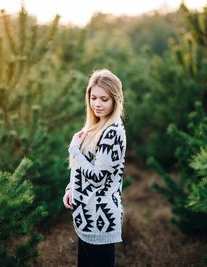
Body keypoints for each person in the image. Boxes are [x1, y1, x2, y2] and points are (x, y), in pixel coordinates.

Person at [63, 69, 126, 267]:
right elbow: (82, 169)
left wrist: (74, 150)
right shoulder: (96, 125)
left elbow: (97, 177)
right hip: (86, 216)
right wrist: (71, 188)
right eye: (93, 98)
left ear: (115, 100)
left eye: (104, 99)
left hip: (101, 219)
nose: (97, 104)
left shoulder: (113, 132)